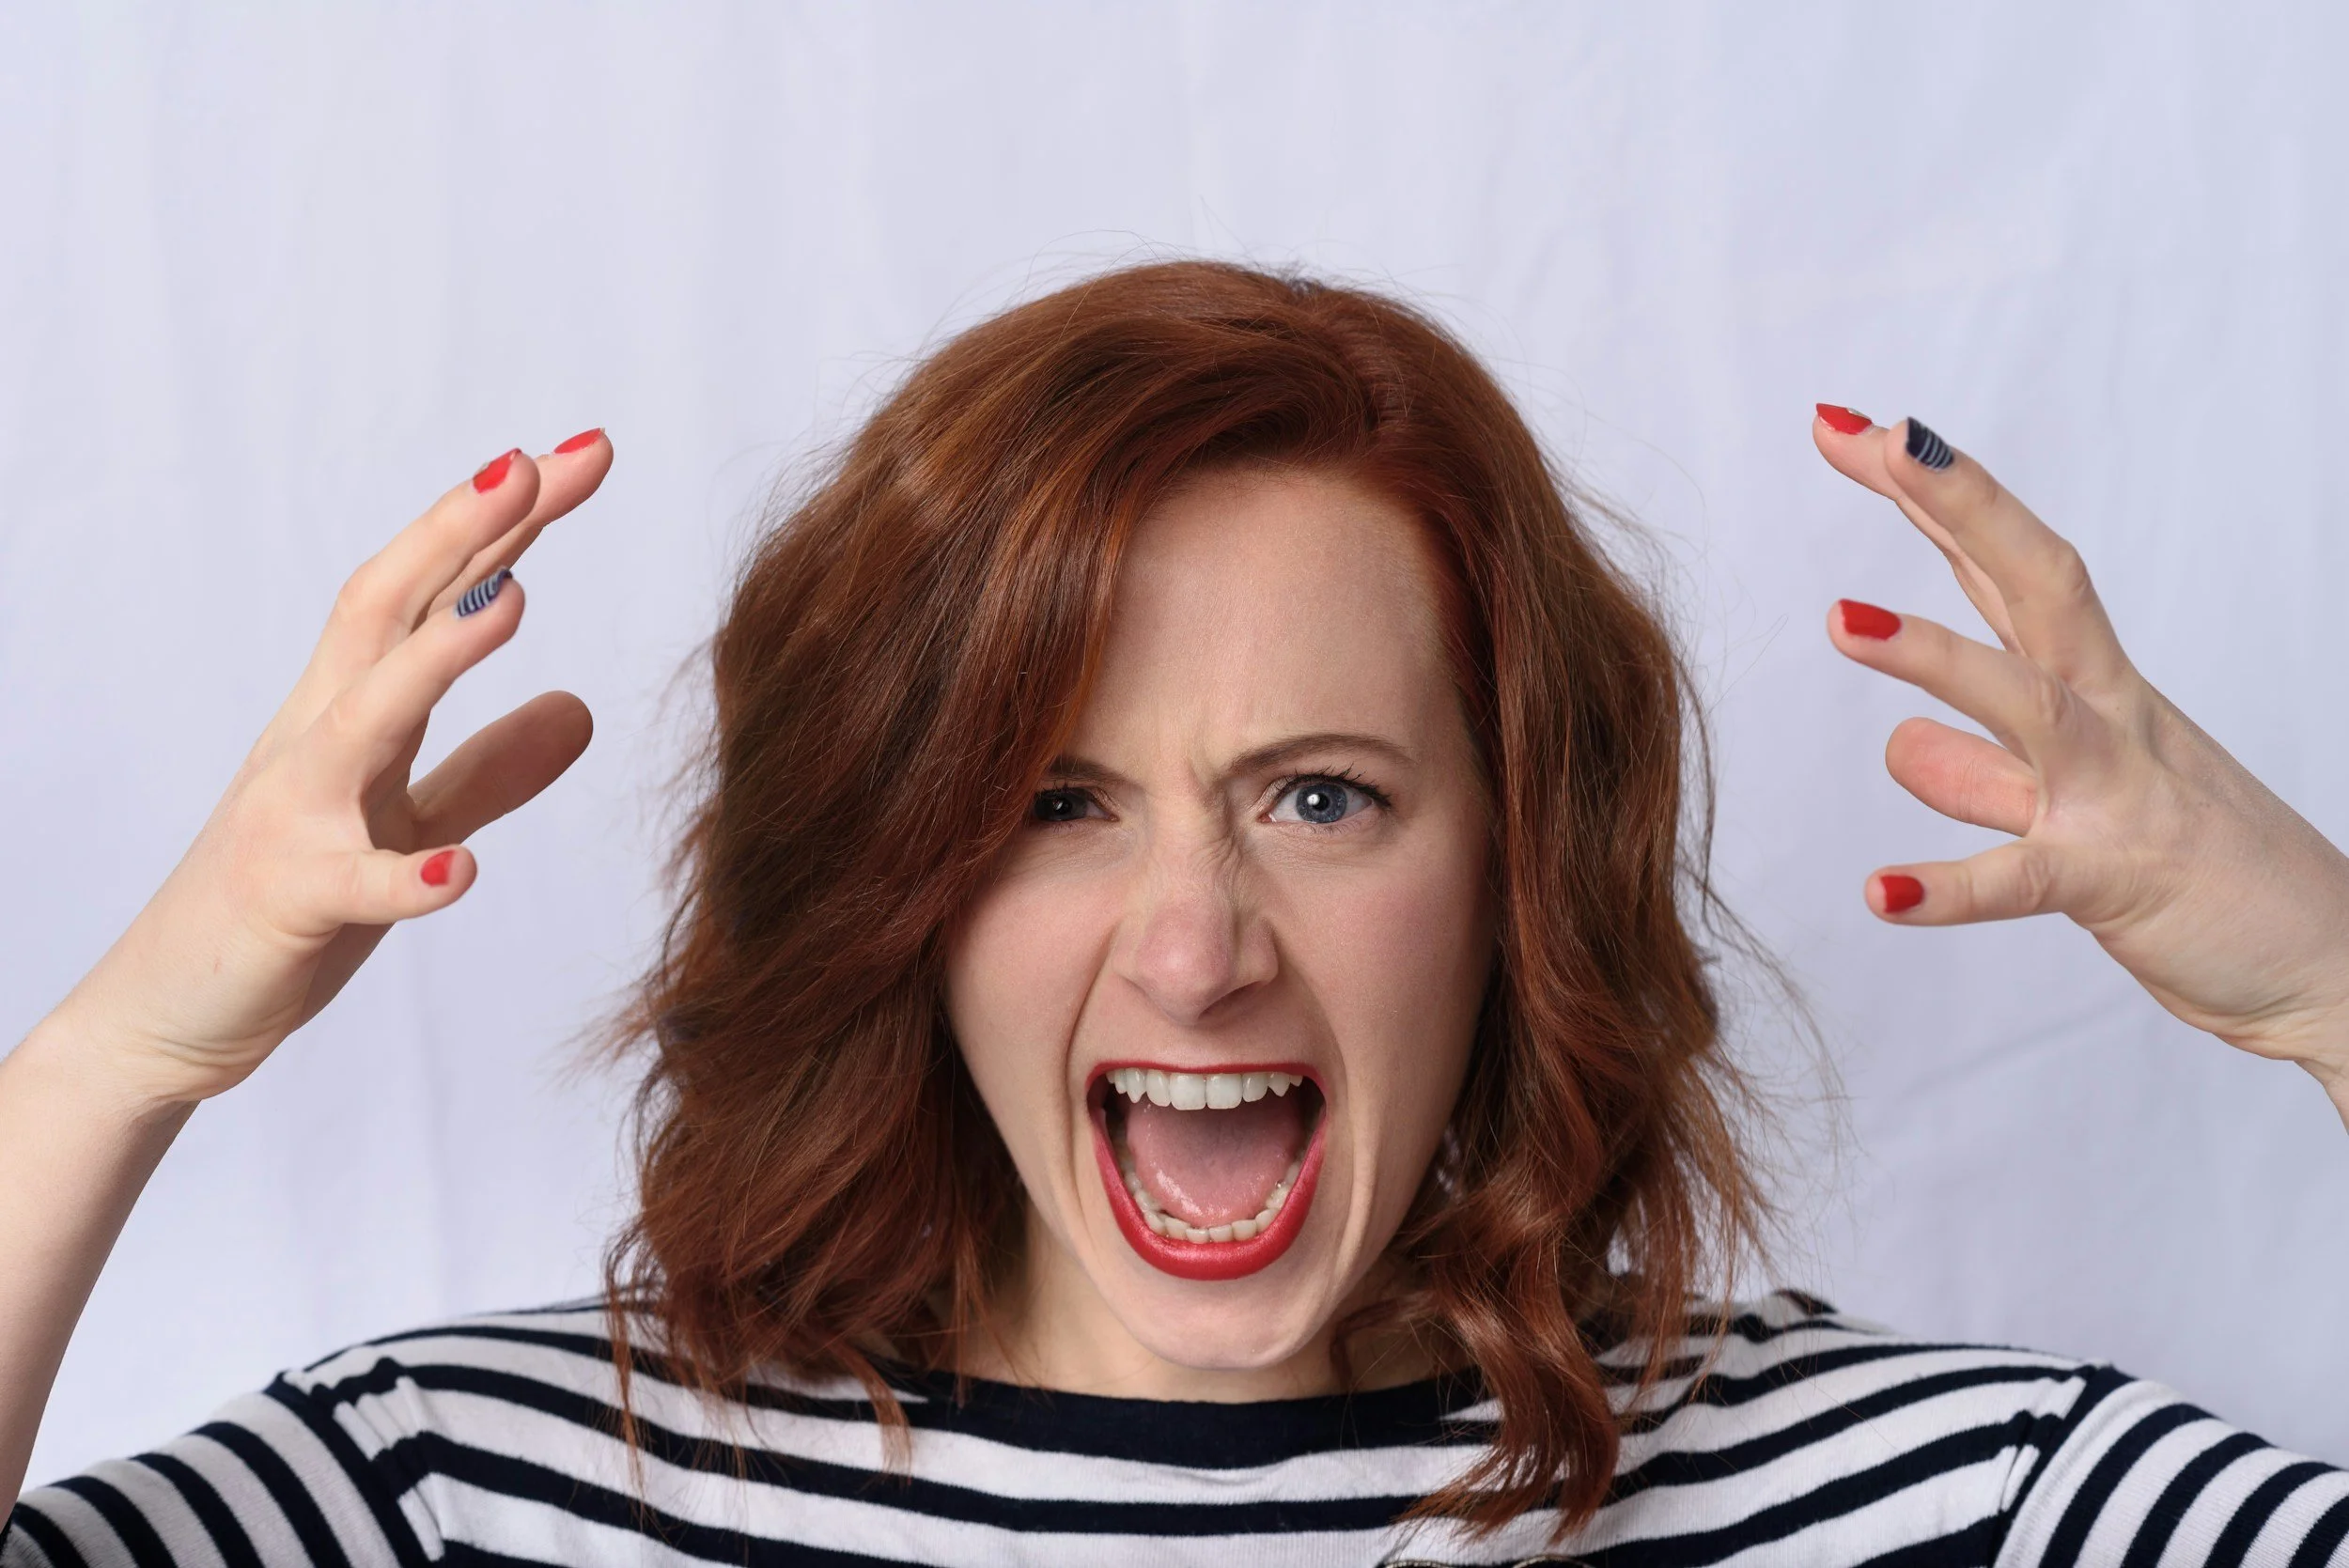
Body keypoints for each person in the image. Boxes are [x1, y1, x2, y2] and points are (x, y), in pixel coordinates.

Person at [3, 261, 2345, 1567]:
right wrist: (115, 1056)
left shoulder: (1952, 1507)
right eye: (1052, 804)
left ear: (1514, 870)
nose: (1195, 939)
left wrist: (2336, 982)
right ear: (897, 884)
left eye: (1319, 795)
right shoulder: (464, 1495)